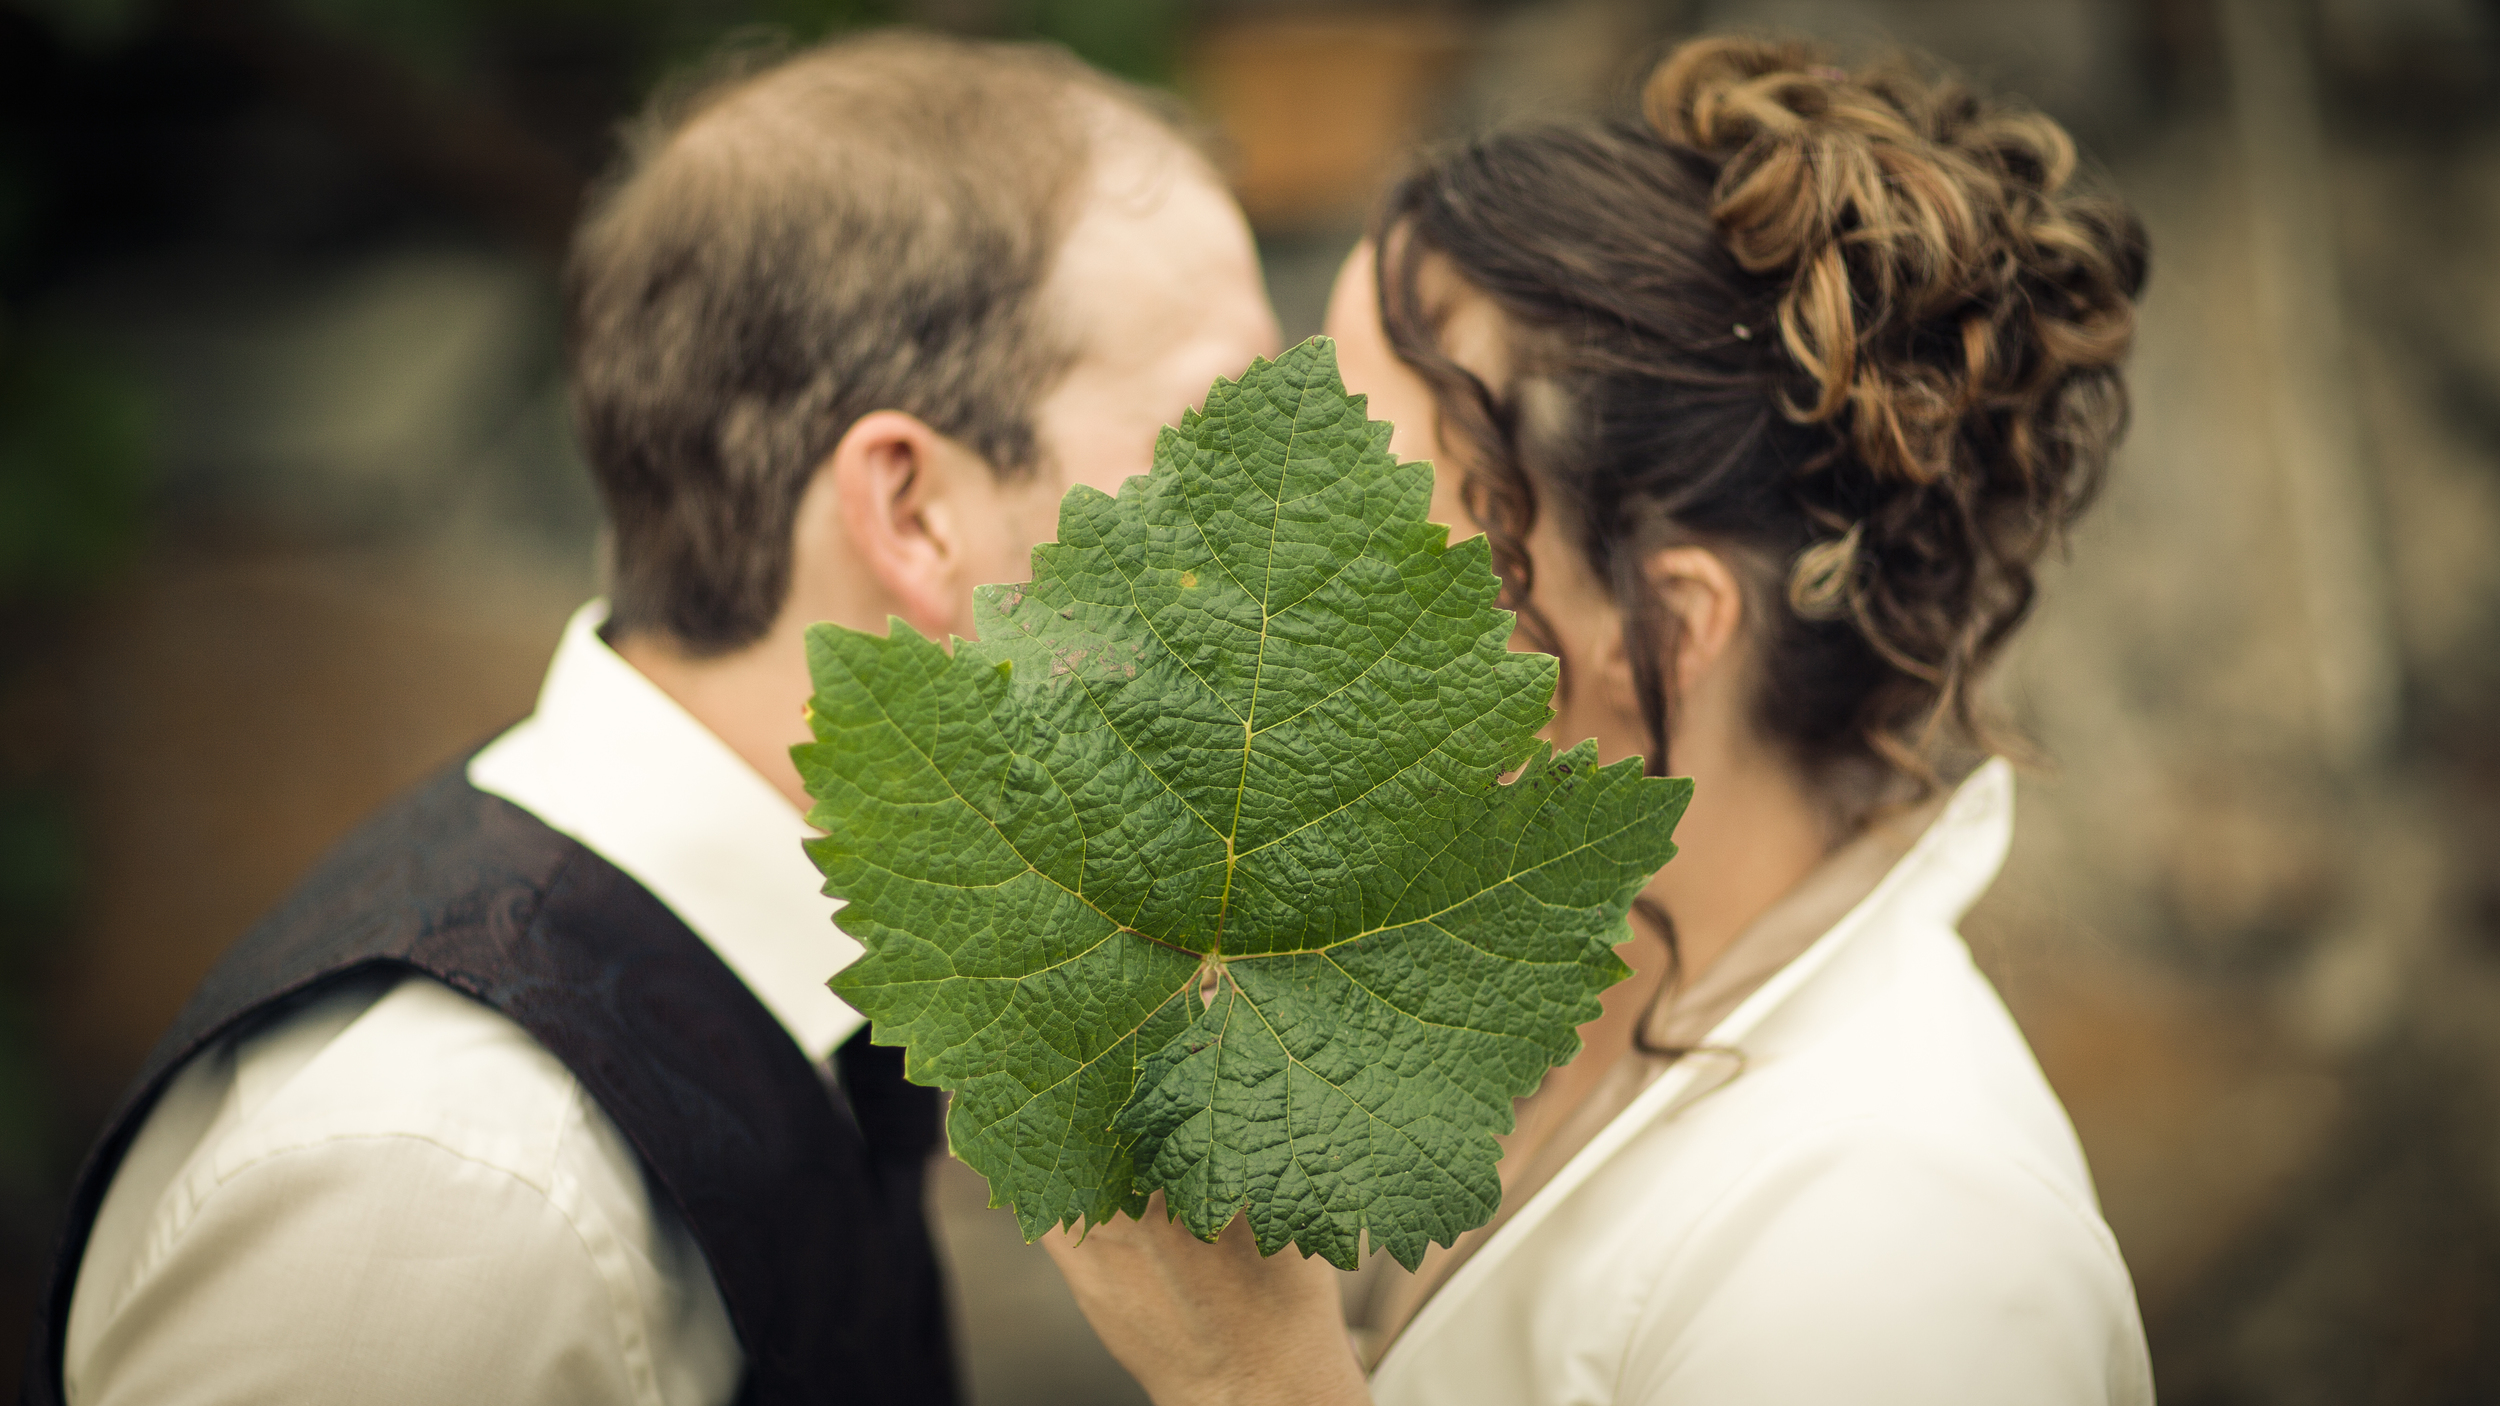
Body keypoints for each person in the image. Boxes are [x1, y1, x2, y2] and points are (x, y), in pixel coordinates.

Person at [28, 30, 1277, 1406]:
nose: (1294, 538)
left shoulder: (813, 1008)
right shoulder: (455, 1187)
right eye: (1218, 441)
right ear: (913, 512)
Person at [1044, 35, 2153, 1406]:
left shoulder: (1897, 1247)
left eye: (1355, 517)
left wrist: (1256, 1376)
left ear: (1666, 630)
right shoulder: (1509, 999)